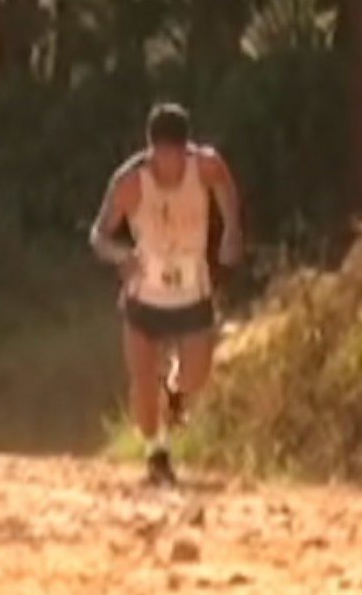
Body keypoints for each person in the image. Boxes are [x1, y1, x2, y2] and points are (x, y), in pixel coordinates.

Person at [89, 103, 242, 485]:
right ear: (151, 148)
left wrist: (231, 231)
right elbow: (98, 235)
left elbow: (226, 189)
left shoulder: (205, 166)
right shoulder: (129, 183)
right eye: (162, 154)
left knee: (197, 376)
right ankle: (157, 453)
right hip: (144, 294)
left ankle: (175, 391)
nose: (170, 164)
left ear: (186, 148)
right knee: (142, 379)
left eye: (176, 154)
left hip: (192, 290)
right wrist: (120, 254)